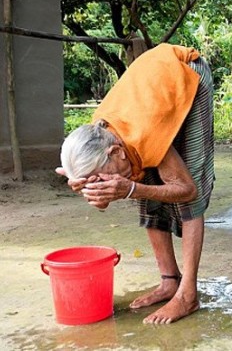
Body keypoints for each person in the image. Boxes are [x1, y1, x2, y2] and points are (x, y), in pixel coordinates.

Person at [56, 43, 215, 324]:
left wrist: (130, 189)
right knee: (140, 176)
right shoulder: (99, 135)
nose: (106, 182)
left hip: (188, 72)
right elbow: (114, 190)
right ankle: (169, 281)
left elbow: (187, 190)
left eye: (102, 176)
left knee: (186, 188)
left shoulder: (145, 132)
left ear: (115, 152)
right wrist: (95, 191)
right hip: (151, 87)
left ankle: (188, 295)